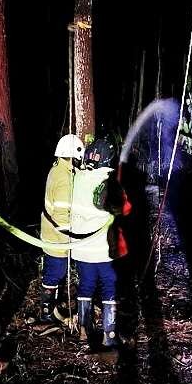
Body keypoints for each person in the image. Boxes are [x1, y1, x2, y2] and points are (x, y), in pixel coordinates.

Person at [71, 137, 124, 349]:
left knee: (86, 286)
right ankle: (109, 335)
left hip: (80, 249)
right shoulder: (108, 183)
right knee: (109, 288)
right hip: (102, 251)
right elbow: (121, 208)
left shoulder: (78, 178)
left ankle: (84, 330)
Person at [39, 134, 84, 323]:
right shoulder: (64, 178)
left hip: (51, 234)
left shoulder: (57, 169)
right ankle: (47, 311)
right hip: (58, 238)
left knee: (54, 271)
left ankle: (51, 307)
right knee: (55, 273)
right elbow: (61, 215)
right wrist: (72, 238)